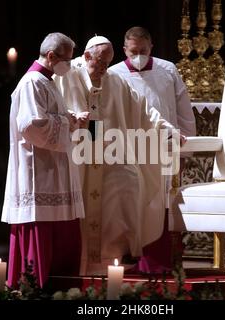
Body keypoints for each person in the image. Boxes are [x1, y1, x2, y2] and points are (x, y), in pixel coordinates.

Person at [54, 35, 184, 275]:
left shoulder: (115, 81)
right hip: (77, 156)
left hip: (110, 154)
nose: (104, 68)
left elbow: (144, 109)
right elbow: (54, 105)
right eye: (100, 62)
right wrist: (72, 116)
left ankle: (114, 258)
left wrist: (167, 130)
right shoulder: (66, 78)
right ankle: (82, 263)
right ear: (86, 57)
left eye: (107, 63)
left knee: (130, 180)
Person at [1, 32, 85, 289]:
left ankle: (62, 287)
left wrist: (69, 116)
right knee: (42, 226)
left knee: (63, 230)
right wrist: (68, 122)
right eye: (67, 60)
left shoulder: (47, 81)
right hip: (39, 170)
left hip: (53, 168)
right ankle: (37, 287)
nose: (69, 65)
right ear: (51, 56)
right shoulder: (32, 83)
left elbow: (49, 114)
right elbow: (31, 125)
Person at [109, 26, 196, 273]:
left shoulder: (168, 69)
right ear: (124, 49)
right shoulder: (114, 74)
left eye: (143, 51)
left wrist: (186, 148)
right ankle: (128, 258)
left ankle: (158, 261)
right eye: (133, 51)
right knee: (130, 201)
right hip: (127, 149)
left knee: (160, 201)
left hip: (164, 147)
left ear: (151, 47)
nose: (138, 56)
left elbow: (183, 110)